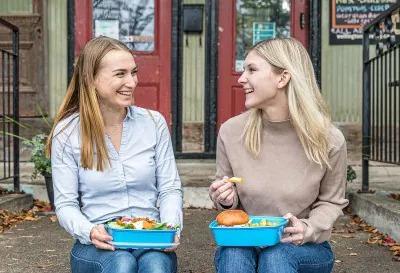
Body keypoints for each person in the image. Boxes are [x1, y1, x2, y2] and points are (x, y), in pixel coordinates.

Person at [209, 38, 349, 273]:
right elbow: (228, 204)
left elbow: (331, 201)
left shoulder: (329, 139)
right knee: (233, 253)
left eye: (251, 70)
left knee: (277, 256)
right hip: (247, 239)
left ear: (282, 78)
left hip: (303, 246)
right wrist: (225, 199)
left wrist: (309, 228)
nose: (242, 79)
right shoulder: (231, 132)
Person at [45, 36, 183, 273]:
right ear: (91, 79)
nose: (132, 82)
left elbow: (169, 188)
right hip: (97, 244)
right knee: (122, 264)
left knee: (156, 267)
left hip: (149, 239)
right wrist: (90, 231)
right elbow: (66, 204)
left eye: (134, 72)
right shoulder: (67, 133)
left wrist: (170, 228)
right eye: (121, 74)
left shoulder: (153, 123)